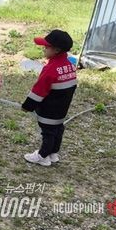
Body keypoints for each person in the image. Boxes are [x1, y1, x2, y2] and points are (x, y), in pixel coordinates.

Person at [21, 30, 77, 166]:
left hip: (49, 109)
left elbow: (38, 91)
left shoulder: (50, 69)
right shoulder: (70, 66)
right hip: (62, 108)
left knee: (48, 133)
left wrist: (27, 106)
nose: (43, 48)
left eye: (46, 46)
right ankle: (53, 153)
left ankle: (43, 155)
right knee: (58, 129)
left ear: (56, 50)